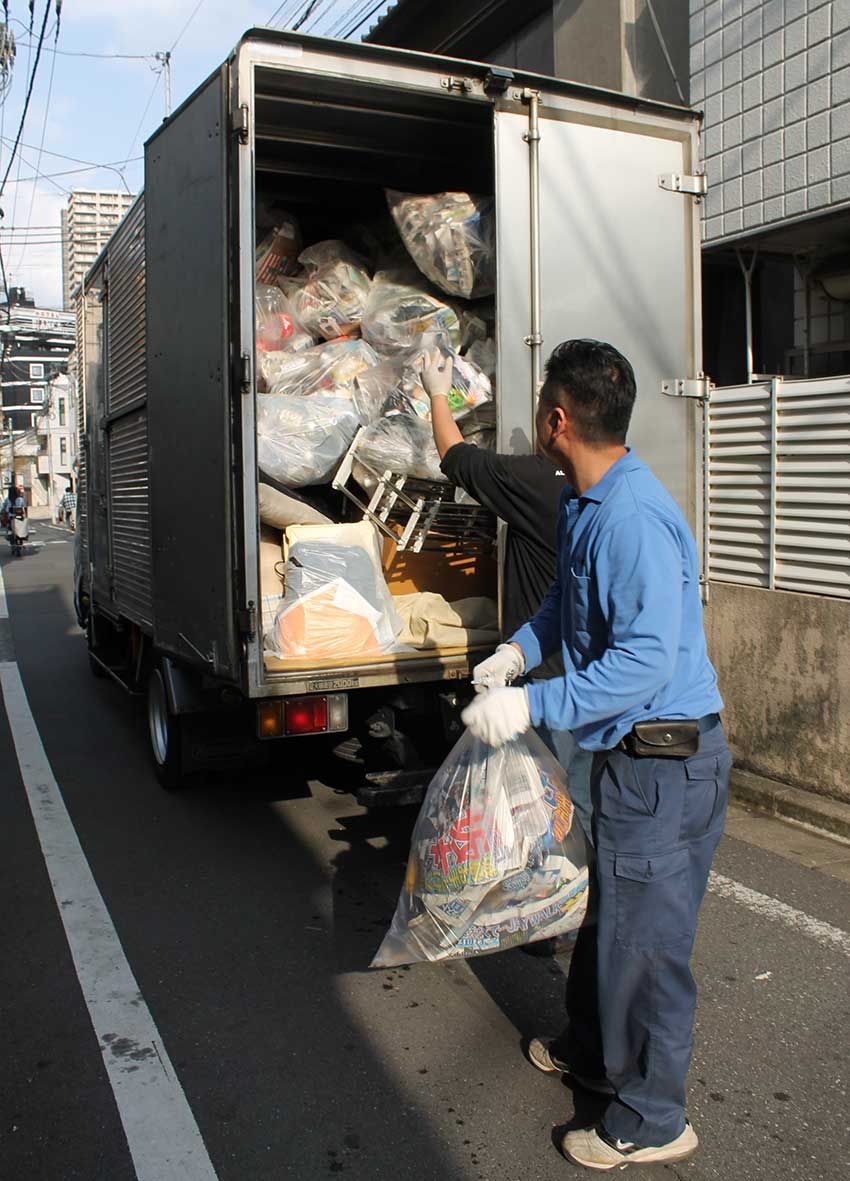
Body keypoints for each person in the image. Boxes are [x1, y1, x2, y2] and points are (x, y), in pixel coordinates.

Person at [461, 340, 730, 1170]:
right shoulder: (586, 501)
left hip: (665, 762)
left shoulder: (634, 518)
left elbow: (644, 660)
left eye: (540, 403)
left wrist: (532, 702)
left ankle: (653, 1117)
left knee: (646, 945)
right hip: (631, 758)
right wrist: (515, 651)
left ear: (557, 418)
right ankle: (589, 1044)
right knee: (608, 915)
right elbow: (564, 606)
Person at [418, 347, 593, 843]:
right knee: (580, 797)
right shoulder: (593, 487)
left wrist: (436, 392)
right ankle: (580, 892)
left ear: (556, 420)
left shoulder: (535, 482)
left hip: (545, 681)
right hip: (579, 670)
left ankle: (570, 896)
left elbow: (454, 456)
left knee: (555, 801)